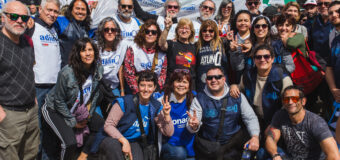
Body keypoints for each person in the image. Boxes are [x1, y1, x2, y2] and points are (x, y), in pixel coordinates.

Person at [41, 38, 103, 160]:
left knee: (100, 125)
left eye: (90, 50)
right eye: (83, 50)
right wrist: (74, 122)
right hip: (54, 109)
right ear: (78, 54)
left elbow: (95, 94)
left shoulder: (98, 69)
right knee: (69, 143)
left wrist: (89, 116)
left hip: (76, 108)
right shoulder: (67, 73)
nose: (88, 53)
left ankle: (83, 156)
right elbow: (58, 101)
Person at [186, 66, 260, 159]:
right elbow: (191, 125)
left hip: (232, 146)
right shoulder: (199, 99)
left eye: (218, 77)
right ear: (206, 80)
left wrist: (255, 136)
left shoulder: (237, 96)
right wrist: (194, 126)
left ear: (224, 79)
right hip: (209, 149)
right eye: (210, 78)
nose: (213, 80)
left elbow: (250, 118)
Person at [98, 70, 174, 160]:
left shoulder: (155, 106)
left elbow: (168, 133)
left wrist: (167, 116)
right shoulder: (124, 102)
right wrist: (124, 141)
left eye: (150, 86)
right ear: (138, 86)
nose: (146, 89)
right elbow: (108, 125)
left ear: (154, 88)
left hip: (134, 142)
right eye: (142, 85)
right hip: (114, 139)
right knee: (115, 150)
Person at [0, 1, 39, 159]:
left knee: (31, 154)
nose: (19, 21)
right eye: (14, 16)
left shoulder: (26, 42)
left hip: (31, 111)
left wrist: (34, 99)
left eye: (24, 17)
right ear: (3, 17)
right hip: (9, 114)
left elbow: (28, 71)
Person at [265, 85, 340, 160]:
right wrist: (275, 155)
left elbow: (334, 156)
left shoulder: (316, 122)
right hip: (291, 157)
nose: (290, 102)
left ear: (303, 101)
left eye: (294, 99)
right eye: (286, 99)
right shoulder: (280, 115)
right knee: (262, 153)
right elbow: (271, 139)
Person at [159, 69, 195, 160]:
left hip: (189, 149)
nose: (181, 85)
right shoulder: (163, 99)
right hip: (170, 146)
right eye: (178, 81)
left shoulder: (194, 98)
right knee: (179, 153)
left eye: (185, 82)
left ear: (189, 85)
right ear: (172, 83)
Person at [124, 19, 167, 94]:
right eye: (147, 32)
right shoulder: (133, 49)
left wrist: (154, 91)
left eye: (153, 32)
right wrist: (138, 92)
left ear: (157, 35)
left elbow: (162, 75)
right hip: (136, 90)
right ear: (143, 33)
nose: (150, 34)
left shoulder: (162, 53)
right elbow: (129, 74)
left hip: (154, 90)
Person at [159, 18, 196, 85]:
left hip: (189, 87)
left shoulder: (195, 47)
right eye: (181, 28)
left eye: (187, 28)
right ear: (177, 30)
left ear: (191, 31)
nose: (184, 31)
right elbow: (161, 44)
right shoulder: (172, 44)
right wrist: (167, 28)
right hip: (172, 85)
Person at [54, 0, 92, 67]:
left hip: (81, 70)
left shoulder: (87, 27)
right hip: (65, 70)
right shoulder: (62, 21)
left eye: (83, 9)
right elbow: (45, 20)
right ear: (71, 10)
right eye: (77, 8)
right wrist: (30, 20)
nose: (80, 12)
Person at [195, 19, 228, 92]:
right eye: (204, 30)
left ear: (215, 32)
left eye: (211, 31)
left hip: (220, 86)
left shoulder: (223, 43)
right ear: (201, 32)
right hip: (202, 86)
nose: (207, 33)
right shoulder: (196, 46)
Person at [96, 17, 126, 97]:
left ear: (116, 32)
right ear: (102, 32)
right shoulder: (95, 47)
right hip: (98, 86)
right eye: (106, 30)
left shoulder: (122, 45)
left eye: (113, 30)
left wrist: (122, 90)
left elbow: (121, 68)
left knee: (118, 105)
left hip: (113, 86)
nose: (110, 32)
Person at [229, 10, 252, 84]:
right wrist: (233, 51)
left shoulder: (255, 38)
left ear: (250, 23)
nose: (243, 23)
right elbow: (233, 67)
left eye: (246, 20)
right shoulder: (230, 39)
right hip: (237, 79)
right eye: (240, 21)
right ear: (235, 23)